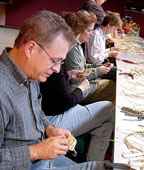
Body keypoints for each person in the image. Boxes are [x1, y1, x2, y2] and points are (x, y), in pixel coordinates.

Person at [0, 10, 105, 170]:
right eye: (55, 61)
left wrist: (50, 129)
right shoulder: (3, 90)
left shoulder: (30, 72)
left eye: (61, 62)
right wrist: (36, 151)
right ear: (30, 49)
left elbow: (37, 112)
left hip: (41, 156)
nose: (57, 69)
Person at [40, 11, 114, 162]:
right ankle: (94, 160)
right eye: (89, 30)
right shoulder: (65, 53)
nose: (92, 33)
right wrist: (83, 86)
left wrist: (69, 75)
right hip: (58, 113)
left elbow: (53, 90)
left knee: (106, 117)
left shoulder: (63, 55)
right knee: (110, 106)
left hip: (53, 115)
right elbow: (64, 101)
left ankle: (94, 159)